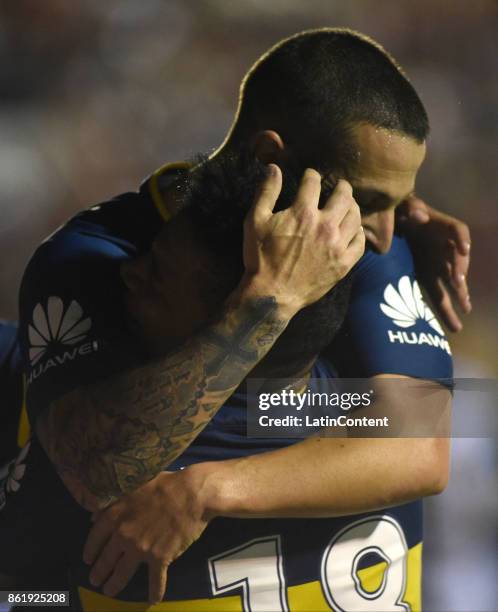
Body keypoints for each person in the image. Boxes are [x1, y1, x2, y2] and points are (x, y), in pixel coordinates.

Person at [1, 28, 470, 610]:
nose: (384, 233)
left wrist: (204, 490)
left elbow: (421, 448)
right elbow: (95, 470)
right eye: (374, 200)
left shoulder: (359, 243)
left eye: (394, 203)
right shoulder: (94, 256)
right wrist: (266, 304)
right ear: (271, 159)